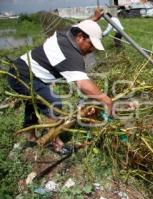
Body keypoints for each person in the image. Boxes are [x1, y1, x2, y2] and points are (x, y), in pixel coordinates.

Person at [7, 8, 113, 155]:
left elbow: (80, 25)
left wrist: (94, 18)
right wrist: (105, 99)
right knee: (54, 103)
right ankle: (57, 144)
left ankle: (30, 136)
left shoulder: (67, 33)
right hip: (22, 76)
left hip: (21, 69)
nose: (91, 50)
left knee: (34, 102)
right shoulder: (70, 55)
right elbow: (83, 84)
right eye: (91, 45)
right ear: (81, 38)